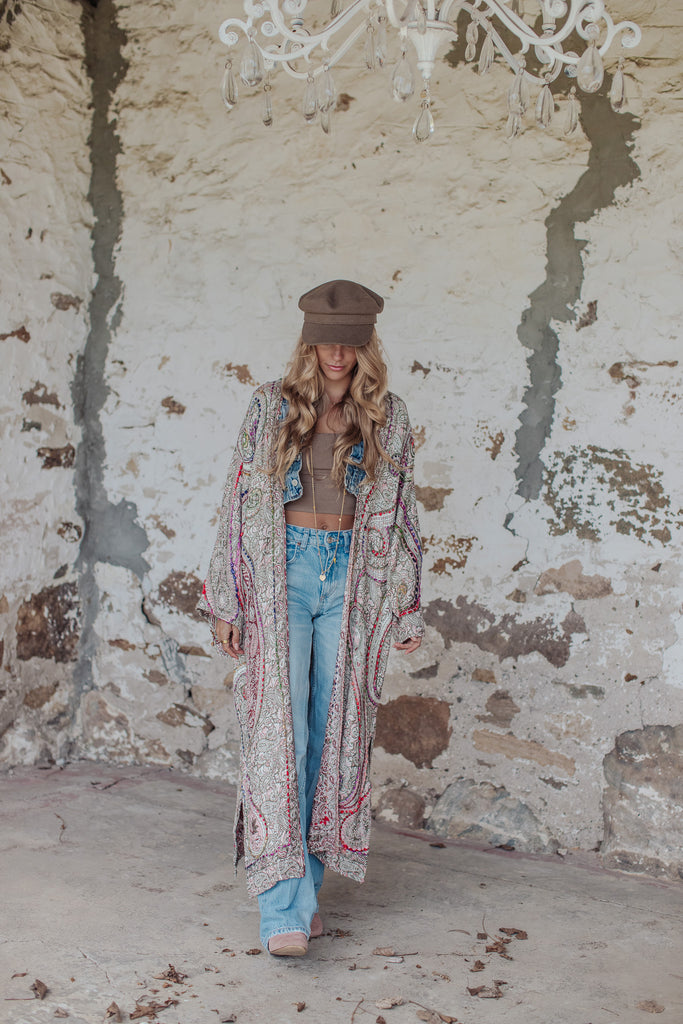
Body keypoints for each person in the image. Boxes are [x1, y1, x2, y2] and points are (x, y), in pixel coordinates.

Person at [198, 279, 424, 957]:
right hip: (283, 576)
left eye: (349, 343)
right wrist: (228, 599)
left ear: (365, 345)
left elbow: (402, 510)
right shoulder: (269, 405)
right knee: (281, 733)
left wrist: (405, 603)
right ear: (309, 342)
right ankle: (281, 912)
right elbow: (238, 499)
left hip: (352, 581)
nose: (336, 354)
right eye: (326, 342)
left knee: (334, 735)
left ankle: (305, 896)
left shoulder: (388, 415)